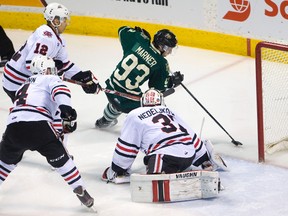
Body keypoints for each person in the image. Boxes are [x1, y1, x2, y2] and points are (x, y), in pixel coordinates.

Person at [0, 55, 94, 209]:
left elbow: (49, 116)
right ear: (45, 69)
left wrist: (62, 124)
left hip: (13, 127)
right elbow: (60, 90)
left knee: (3, 163)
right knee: (64, 161)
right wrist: (66, 110)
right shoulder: (50, 79)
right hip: (39, 127)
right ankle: (80, 189)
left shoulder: (24, 85)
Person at [102, 88, 228, 183]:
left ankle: (159, 175)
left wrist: (117, 170)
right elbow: (191, 135)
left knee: (155, 178)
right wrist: (203, 159)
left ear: (142, 102)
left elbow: (127, 146)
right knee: (172, 156)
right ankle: (191, 170)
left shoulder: (134, 114)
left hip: (163, 157)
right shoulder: (170, 111)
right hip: (188, 155)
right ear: (161, 102)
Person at [2, 2, 99, 103]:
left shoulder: (57, 38)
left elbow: (64, 64)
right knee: (46, 108)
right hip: (16, 81)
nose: (66, 23)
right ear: (56, 21)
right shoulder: (46, 38)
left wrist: (82, 77)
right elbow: (31, 64)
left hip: (19, 77)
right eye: (64, 20)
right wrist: (55, 68)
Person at [95, 26, 184, 129]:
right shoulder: (161, 63)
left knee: (121, 99)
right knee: (155, 104)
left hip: (110, 88)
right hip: (127, 99)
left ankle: (105, 120)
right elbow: (157, 88)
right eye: (168, 49)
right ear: (161, 47)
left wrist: (137, 32)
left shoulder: (139, 40)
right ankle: (147, 132)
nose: (170, 52)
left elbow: (122, 30)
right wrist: (171, 82)